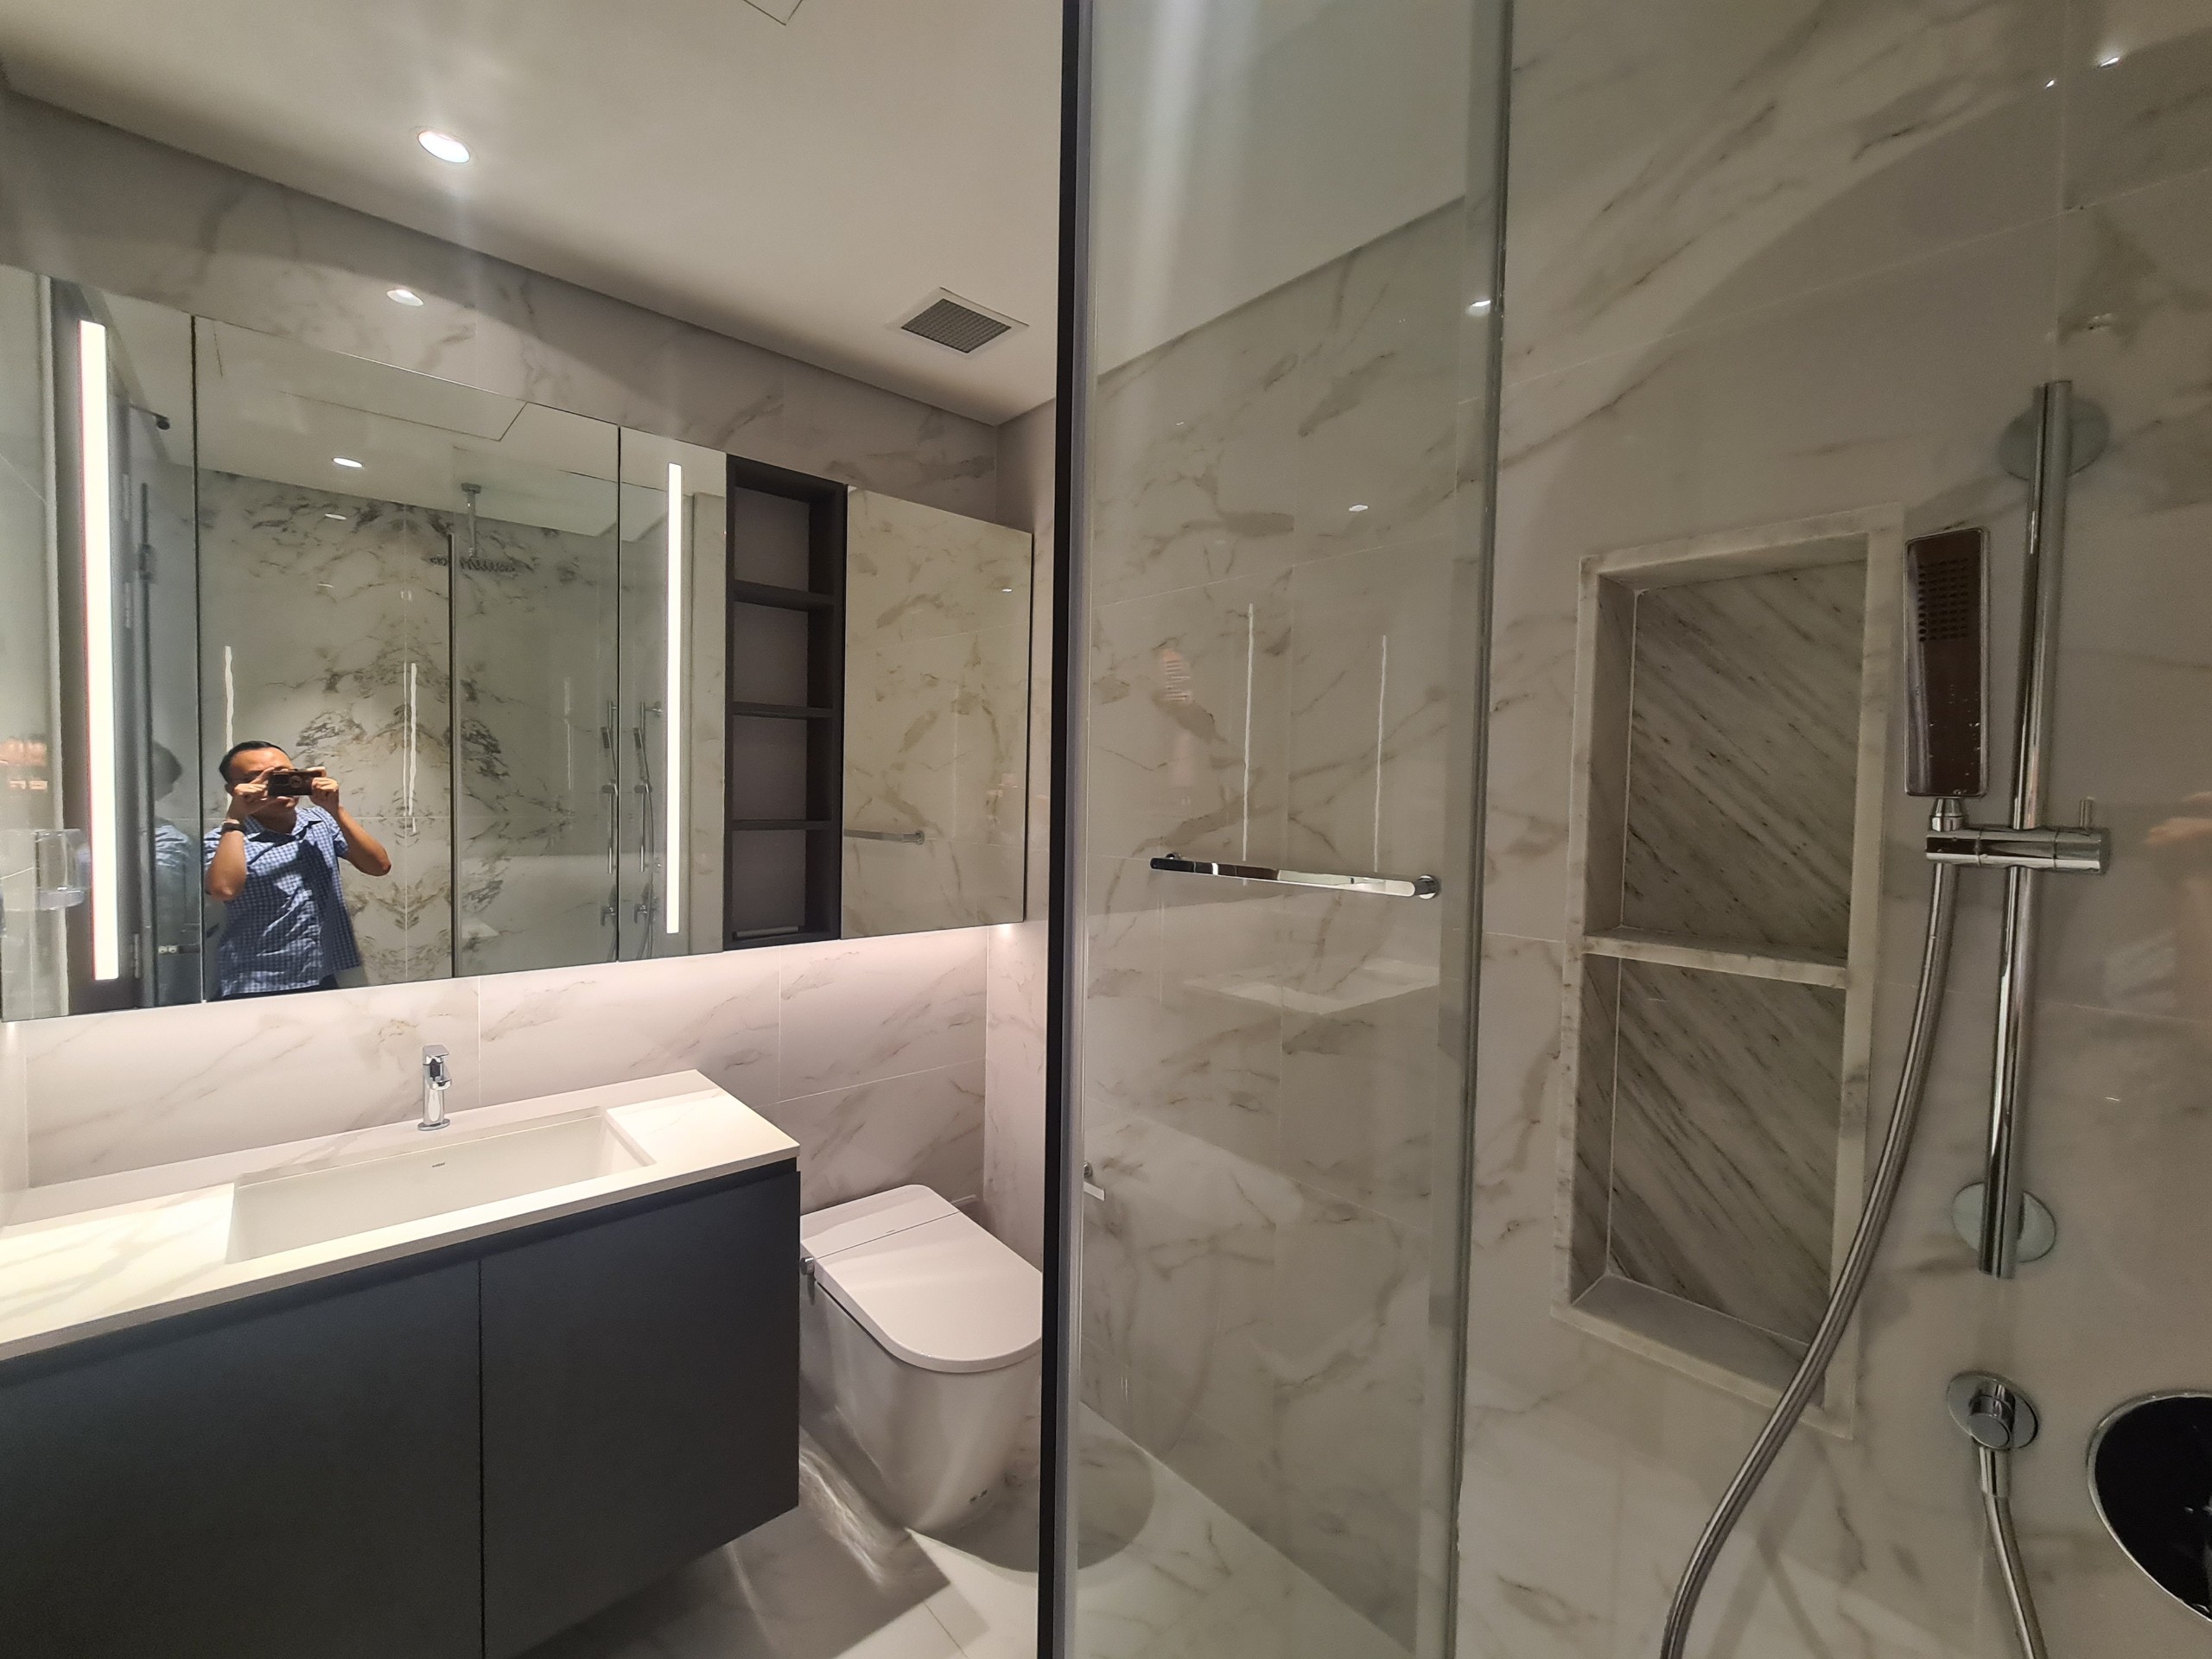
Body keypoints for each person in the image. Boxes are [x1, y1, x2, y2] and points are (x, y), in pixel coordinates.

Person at [204, 741, 391, 999]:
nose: (273, 785)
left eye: (282, 776)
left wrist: (335, 809)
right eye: (256, 778)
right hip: (256, 979)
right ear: (233, 788)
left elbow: (379, 866)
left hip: (321, 973)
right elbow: (224, 891)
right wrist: (235, 819)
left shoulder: (321, 822)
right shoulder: (224, 839)